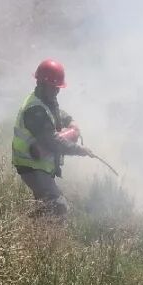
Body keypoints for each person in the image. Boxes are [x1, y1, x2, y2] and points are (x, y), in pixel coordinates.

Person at [11, 59, 92, 217]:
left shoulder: (43, 99)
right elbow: (53, 142)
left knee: (44, 207)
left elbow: (55, 112)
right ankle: (45, 232)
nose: (57, 91)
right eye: (54, 87)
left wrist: (69, 120)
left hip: (37, 165)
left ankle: (35, 228)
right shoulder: (35, 110)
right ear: (42, 84)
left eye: (58, 88)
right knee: (58, 207)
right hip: (32, 166)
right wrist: (79, 150)